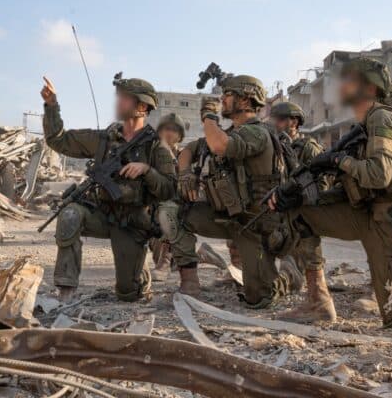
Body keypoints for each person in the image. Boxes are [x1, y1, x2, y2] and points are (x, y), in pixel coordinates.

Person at [269, 58, 392, 326]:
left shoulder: (382, 118)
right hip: (369, 213)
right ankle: (318, 302)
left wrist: (338, 160)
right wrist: (310, 193)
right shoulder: (364, 125)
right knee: (301, 212)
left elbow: (379, 175)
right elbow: (356, 183)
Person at [40, 74, 176, 302]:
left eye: (125, 98)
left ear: (142, 106)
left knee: (128, 294)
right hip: (101, 214)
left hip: (132, 223)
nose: (118, 102)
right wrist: (52, 105)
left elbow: (170, 189)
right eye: (118, 96)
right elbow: (58, 140)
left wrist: (147, 170)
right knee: (70, 214)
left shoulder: (156, 147)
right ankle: (66, 289)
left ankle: (138, 271)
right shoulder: (104, 139)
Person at [171, 75, 302, 308]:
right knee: (172, 214)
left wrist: (208, 116)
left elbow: (219, 145)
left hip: (255, 225)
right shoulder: (231, 131)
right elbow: (188, 150)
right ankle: (189, 283)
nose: (222, 99)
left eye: (228, 95)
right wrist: (185, 174)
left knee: (259, 297)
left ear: (245, 99)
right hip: (228, 217)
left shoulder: (257, 132)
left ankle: (289, 276)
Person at [269, 102, 335, 322]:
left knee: (299, 261)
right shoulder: (274, 148)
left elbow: (321, 188)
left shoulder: (309, 148)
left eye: (279, 120)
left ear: (294, 122)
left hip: (303, 217)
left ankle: (317, 301)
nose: (275, 124)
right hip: (282, 217)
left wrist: (297, 191)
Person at [148, 113, 186, 282]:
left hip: (176, 210)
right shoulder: (151, 155)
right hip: (153, 210)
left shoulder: (185, 155)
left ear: (180, 135)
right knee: (175, 263)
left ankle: (163, 263)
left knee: (167, 210)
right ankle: (201, 255)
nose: (168, 133)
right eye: (165, 129)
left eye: (173, 130)